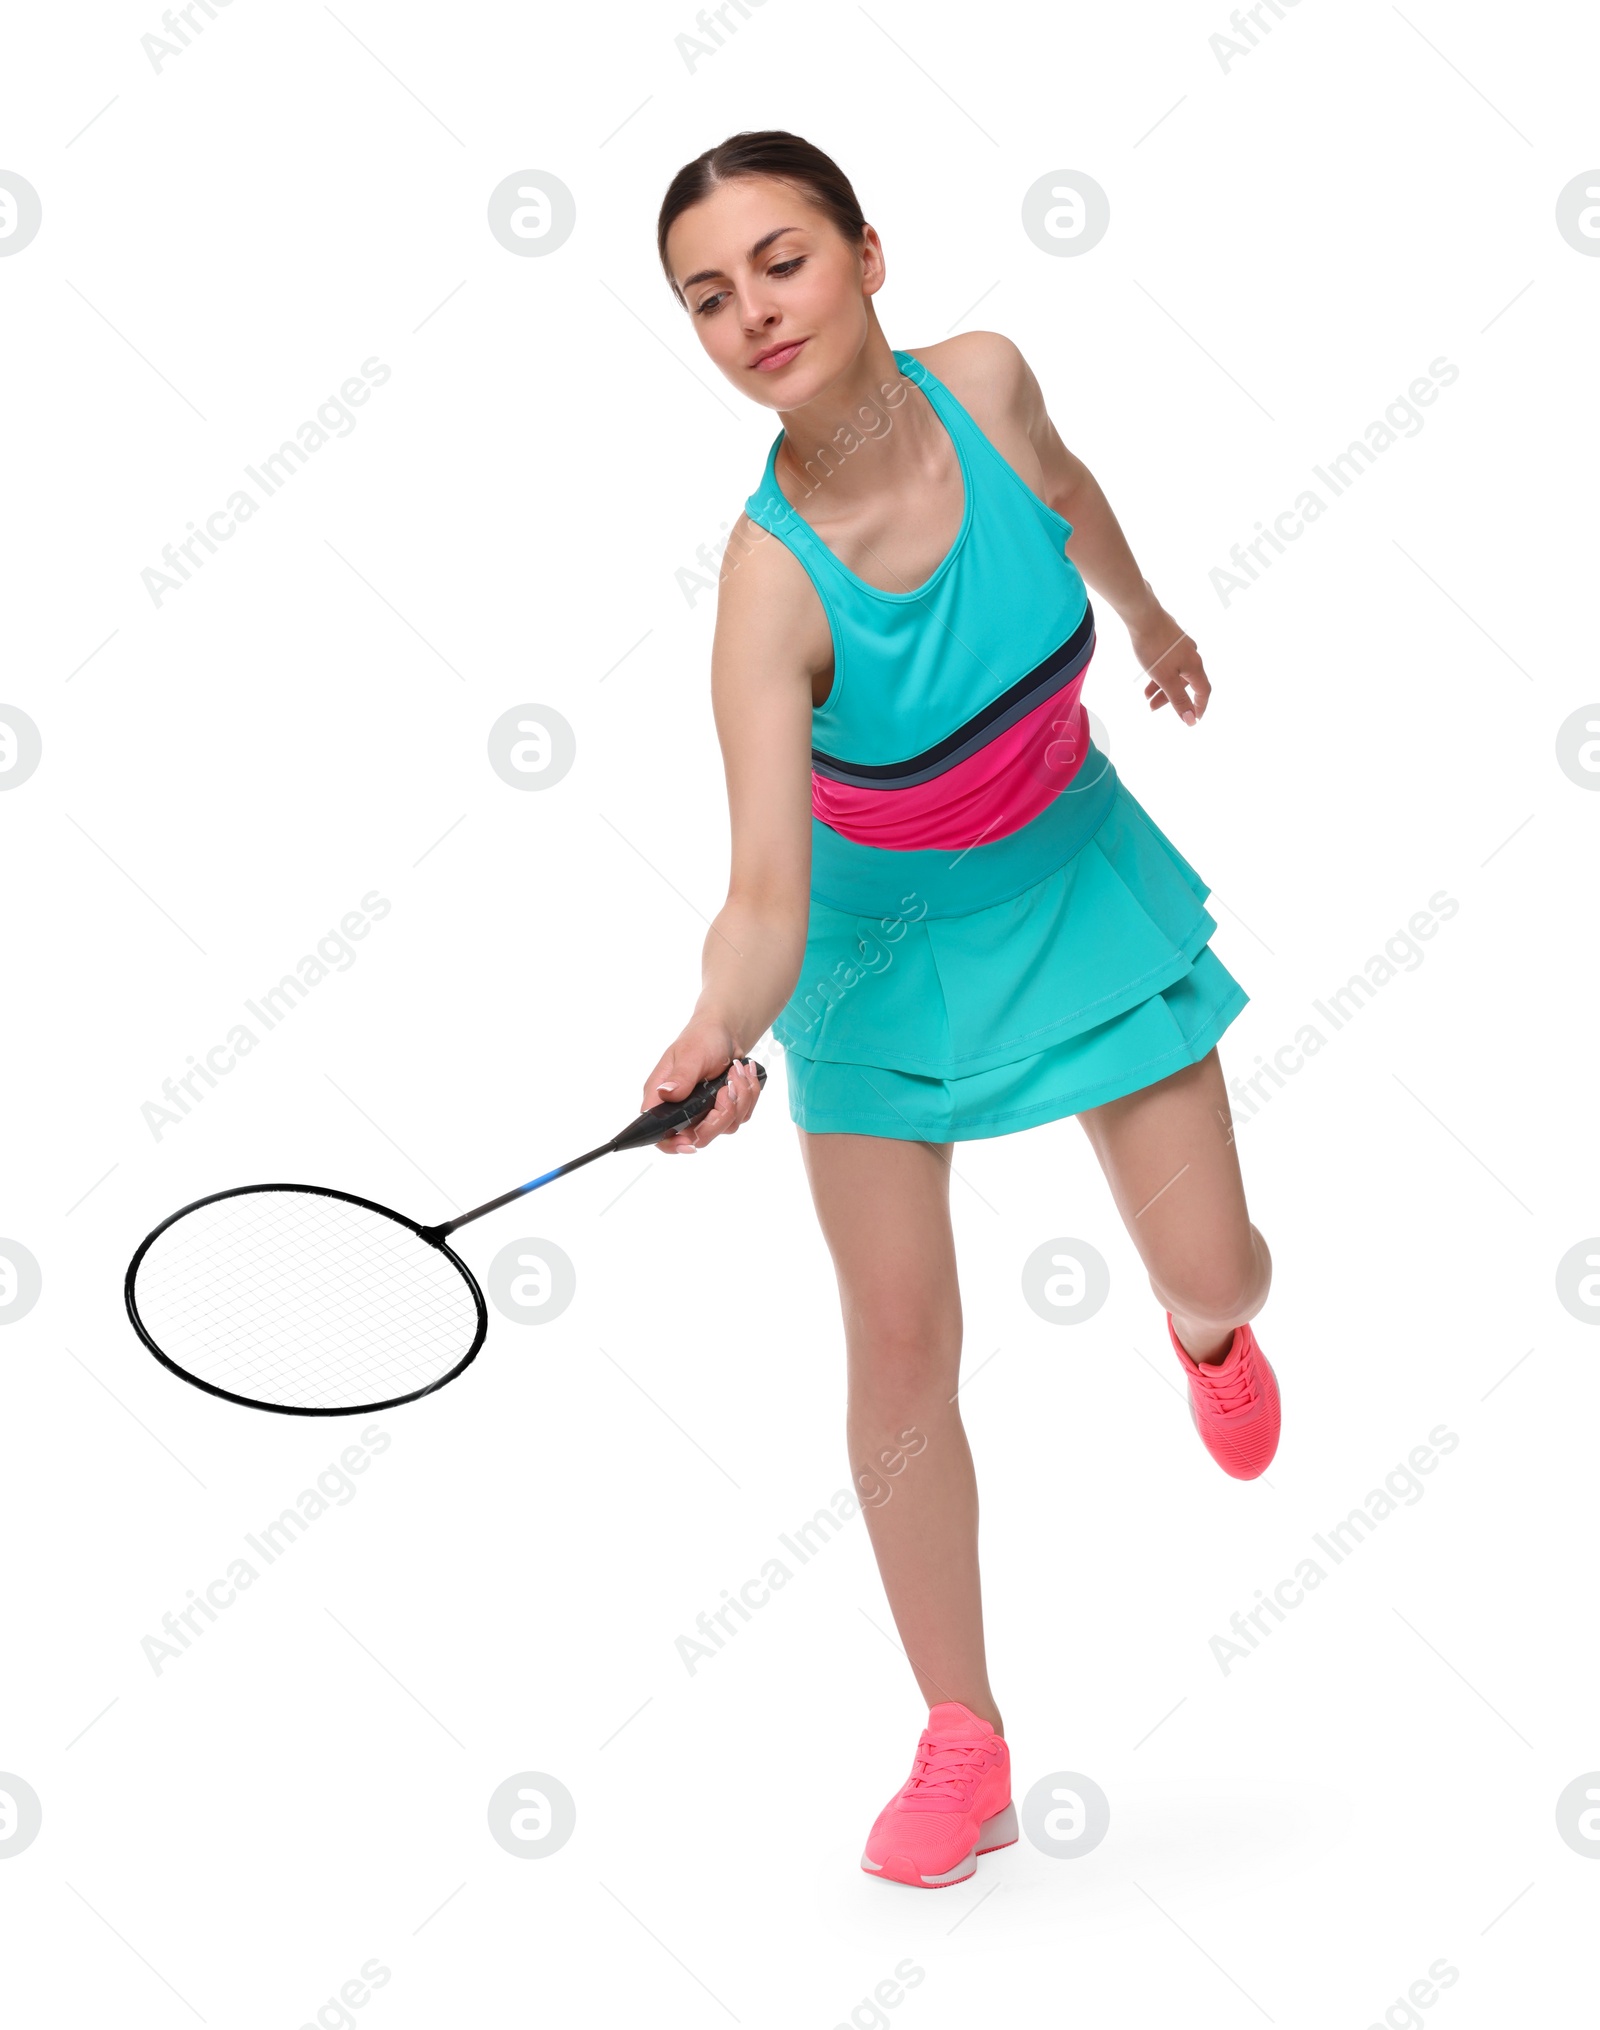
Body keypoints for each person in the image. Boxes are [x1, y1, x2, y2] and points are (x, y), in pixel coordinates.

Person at [644, 130, 1278, 1890]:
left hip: (1071, 879)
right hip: (871, 958)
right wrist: (715, 1030)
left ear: (866, 252)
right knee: (904, 1342)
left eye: (780, 260)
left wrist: (1147, 621)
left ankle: (1208, 1339)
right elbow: (768, 888)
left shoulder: (987, 384)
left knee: (1221, 1264)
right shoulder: (768, 589)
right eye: (708, 297)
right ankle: (964, 1738)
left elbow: (1069, 501)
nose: (751, 311)